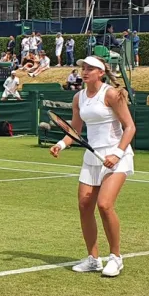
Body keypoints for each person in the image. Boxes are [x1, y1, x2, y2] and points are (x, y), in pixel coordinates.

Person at [49, 56, 135, 278]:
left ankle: (116, 258)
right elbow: (75, 131)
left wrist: (117, 154)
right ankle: (93, 259)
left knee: (104, 205)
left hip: (117, 155)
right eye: (83, 68)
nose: (85, 71)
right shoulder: (78, 97)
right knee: (85, 206)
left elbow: (130, 127)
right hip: (92, 157)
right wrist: (61, 144)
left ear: (101, 73)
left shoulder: (111, 94)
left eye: (90, 68)